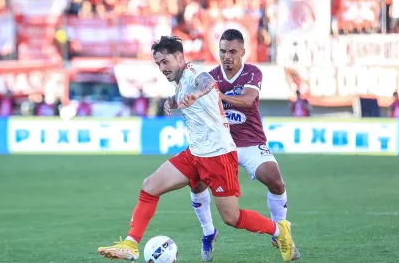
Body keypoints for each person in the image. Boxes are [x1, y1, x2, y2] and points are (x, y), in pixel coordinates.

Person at [97, 36, 297, 262]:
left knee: (232, 217)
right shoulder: (181, 81)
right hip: (195, 154)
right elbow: (186, 91)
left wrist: (198, 94)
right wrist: (172, 100)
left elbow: (207, 83)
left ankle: (280, 231)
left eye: (165, 62)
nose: (162, 68)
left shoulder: (195, 75)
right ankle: (131, 244)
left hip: (219, 156)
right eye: (158, 64)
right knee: (150, 186)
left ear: (180, 57)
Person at [189, 29, 300, 261]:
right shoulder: (210, 76)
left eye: (232, 51)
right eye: (222, 51)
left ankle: (281, 232)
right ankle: (208, 232)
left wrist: (218, 95)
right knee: (196, 182)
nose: (226, 56)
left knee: (275, 180)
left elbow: (248, 100)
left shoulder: (252, 72)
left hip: (250, 142)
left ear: (242, 52)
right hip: (220, 145)